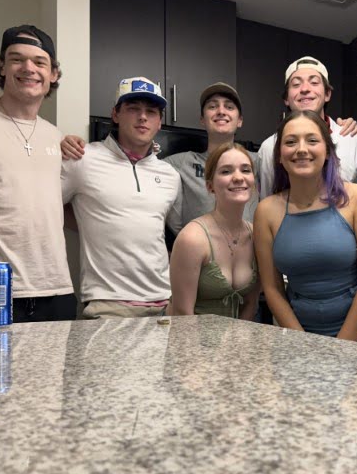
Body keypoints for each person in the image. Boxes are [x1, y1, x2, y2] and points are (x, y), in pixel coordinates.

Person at [254, 109, 357, 345]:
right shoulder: (266, 212)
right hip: (300, 334)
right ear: (279, 156)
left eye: (312, 140)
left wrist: (339, 347)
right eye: (291, 142)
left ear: (327, 151)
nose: (301, 149)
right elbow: (272, 288)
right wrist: (304, 344)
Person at [61, 77, 180, 318]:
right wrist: (89, 223)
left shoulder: (169, 175)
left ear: (159, 122)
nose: (143, 117)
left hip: (164, 303)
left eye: (151, 111)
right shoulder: (83, 159)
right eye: (133, 108)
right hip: (107, 304)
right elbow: (47, 206)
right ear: (115, 114)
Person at [0, 24, 76, 322]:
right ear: (2, 66)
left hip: (56, 289)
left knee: (51, 372)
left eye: (40, 62)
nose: (29, 68)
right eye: (16, 59)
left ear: (53, 74)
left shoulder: (56, 137)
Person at [167, 142, 260, 319]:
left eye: (245, 170)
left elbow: (251, 303)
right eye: (226, 171)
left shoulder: (257, 236)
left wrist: (237, 346)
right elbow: (182, 314)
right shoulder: (193, 239)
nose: (238, 177)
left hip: (237, 342)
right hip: (191, 340)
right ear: (210, 186)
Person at [256, 56, 357, 198]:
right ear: (286, 99)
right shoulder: (269, 148)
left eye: (314, 82)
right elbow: (268, 202)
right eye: (296, 84)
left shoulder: (353, 141)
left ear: (327, 94)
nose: (305, 89)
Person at [164, 83, 257, 234]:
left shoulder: (257, 161)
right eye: (212, 107)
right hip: (202, 252)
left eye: (229, 107)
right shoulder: (180, 163)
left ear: (239, 120)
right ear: (202, 119)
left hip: (250, 251)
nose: (221, 111)